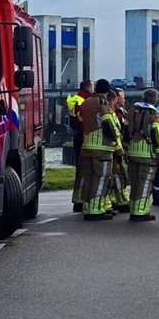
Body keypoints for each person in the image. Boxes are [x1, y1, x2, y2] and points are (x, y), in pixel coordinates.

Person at [79, 79, 121, 221]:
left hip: (86, 146)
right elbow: (108, 123)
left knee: (89, 179)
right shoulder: (103, 104)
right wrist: (116, 137)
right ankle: (96, 210)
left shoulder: (86, 102)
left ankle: (87, 207)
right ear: (107, 91)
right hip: (102, 148)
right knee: (101, 179)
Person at [124, 89, 159, 222]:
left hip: (132, 153)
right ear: (154, 99)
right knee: (144, 184)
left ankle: (133, 208)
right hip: (147, 155)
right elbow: (157, 136)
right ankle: (140, 211)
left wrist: (125, 150)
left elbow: (125, 132)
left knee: (135, 182)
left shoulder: (131, 111)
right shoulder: (153, 114)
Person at [103, 89, 130, 215]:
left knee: (118, 176)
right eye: (122, 97)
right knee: (117, 176)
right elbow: (117, 131)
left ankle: (117, 200)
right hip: (114, 148)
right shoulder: (113, 112)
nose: (124, 100)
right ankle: (120, 202)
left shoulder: (117, 112)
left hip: (117, 147)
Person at [68, 80, 93, 213]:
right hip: (83, 136)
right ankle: (80, 202)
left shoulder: (77, 98)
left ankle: (78, 201)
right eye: (92, 87)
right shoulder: (83, 100)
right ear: (88, 88)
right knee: (84, 169)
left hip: (79, 135)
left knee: (81, 169)